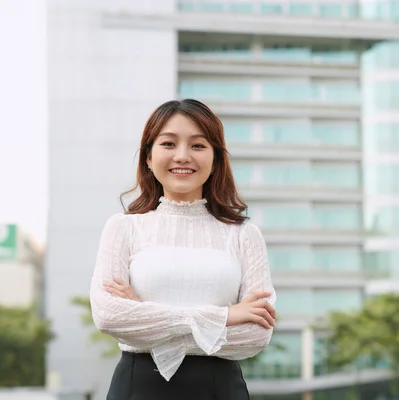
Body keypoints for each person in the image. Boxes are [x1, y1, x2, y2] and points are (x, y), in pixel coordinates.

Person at [89, 99, 276, 399]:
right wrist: (226, 316)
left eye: (198, 145)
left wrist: (143, 313)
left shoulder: (245, 236)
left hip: (221, 390)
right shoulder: (123, 228)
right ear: (148, 157)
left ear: (216, 159)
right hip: (138, 388)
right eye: (168, 143)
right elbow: (109, 316)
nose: (182, 156)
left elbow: (255, 335)